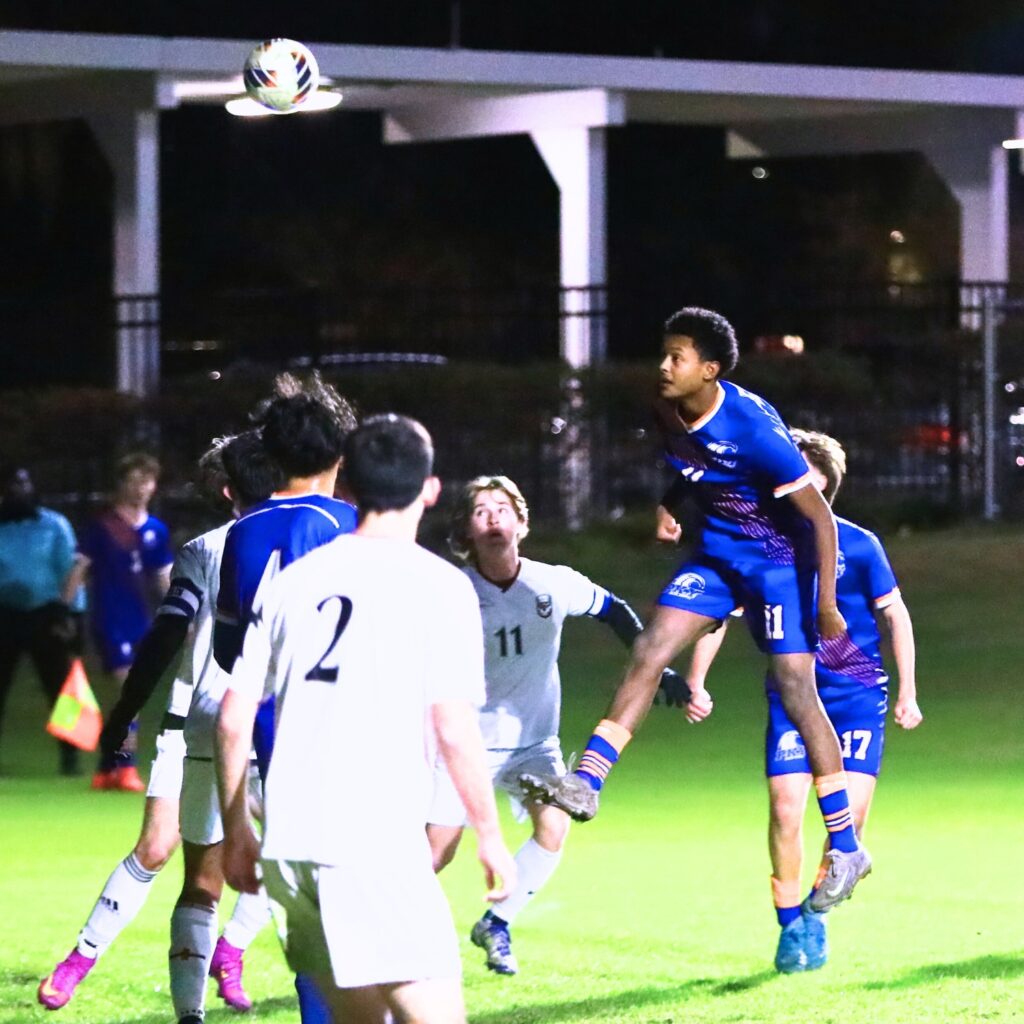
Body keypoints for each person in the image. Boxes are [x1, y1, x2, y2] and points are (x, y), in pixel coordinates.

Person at [521, 306, 872, 912]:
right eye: (664, 354)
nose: (663, 366)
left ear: (709, 370)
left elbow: (820, 519)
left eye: (676, 357)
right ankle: (588, 781)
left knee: (797, 690)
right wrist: (670, 501)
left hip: (776, 563)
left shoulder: (754, 429)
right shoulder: (666, 407)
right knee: (650, 648)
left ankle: (846, 847)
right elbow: (695, 467)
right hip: (716, 556)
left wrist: (826, 606)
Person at [218, 414, 517, 1024]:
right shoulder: (439, 586)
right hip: (370, 841)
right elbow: (453, 725)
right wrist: (490, 835)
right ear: (430, 489)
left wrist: (237, 829)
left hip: (290, 845)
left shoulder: (296, 582)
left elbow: (232, 717)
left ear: (348, 485)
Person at [37, 433, 278, 1014]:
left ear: (227, 489)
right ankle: (81, 959)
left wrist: (123, 711)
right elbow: (172, 626)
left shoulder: (235, 546)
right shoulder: (222, 549)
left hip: (256, 726)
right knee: (161, 851)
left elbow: (170, 627)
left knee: (277, 859)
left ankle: (229, 953)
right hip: (203, 720)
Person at [429, 475, 694, 976]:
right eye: (481, 511)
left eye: (503, 509)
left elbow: (615, 611)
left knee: (554, 829)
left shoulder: (552, 582)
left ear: (521, 523)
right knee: (436, 854)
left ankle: (496, 924)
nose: (493, 517)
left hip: (533, 743)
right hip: (467, 744)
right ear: (466, 531)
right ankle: (389, 938)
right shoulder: (452, 592)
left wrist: (657, 669)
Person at [682, 429, 923, 973]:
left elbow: (896, 615)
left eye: (805, 480)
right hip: (794, 699)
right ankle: (790, 925)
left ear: (826, 488)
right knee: (786, 810)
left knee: (848, 825)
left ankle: (818, 912)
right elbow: (720, 617)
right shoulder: (765, 549)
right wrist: (697, 679)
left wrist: (908, 690)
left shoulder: (859, 545)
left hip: (856, 698)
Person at [212, 371, 358, 1024]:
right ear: (339, 456)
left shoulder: (241, 532)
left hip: (271, 732)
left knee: (308, 909)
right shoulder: (348, 525)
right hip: (346, 729)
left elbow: (229, 650)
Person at [74, 452, 174, 791]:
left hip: (141, 622)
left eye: (146, 482)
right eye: (133, 481)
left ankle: (107, 768)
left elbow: (163, 577)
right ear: (121, 484)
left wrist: (182, 615)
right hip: (109, 619)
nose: (140, 488)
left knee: (125, 698)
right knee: (128, 690)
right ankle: (127, 767)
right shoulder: (103, 527)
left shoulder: (156, 530)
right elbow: (79, 569)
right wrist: (63, 611)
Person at [0, 465, 85, 776]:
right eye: (11, 485)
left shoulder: (53, 525)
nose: (17, 491)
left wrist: (72, 613)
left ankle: (70, 756)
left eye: (22, 484)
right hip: (5, 613)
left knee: (61, 689)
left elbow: (71, 568)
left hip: (47, 613)